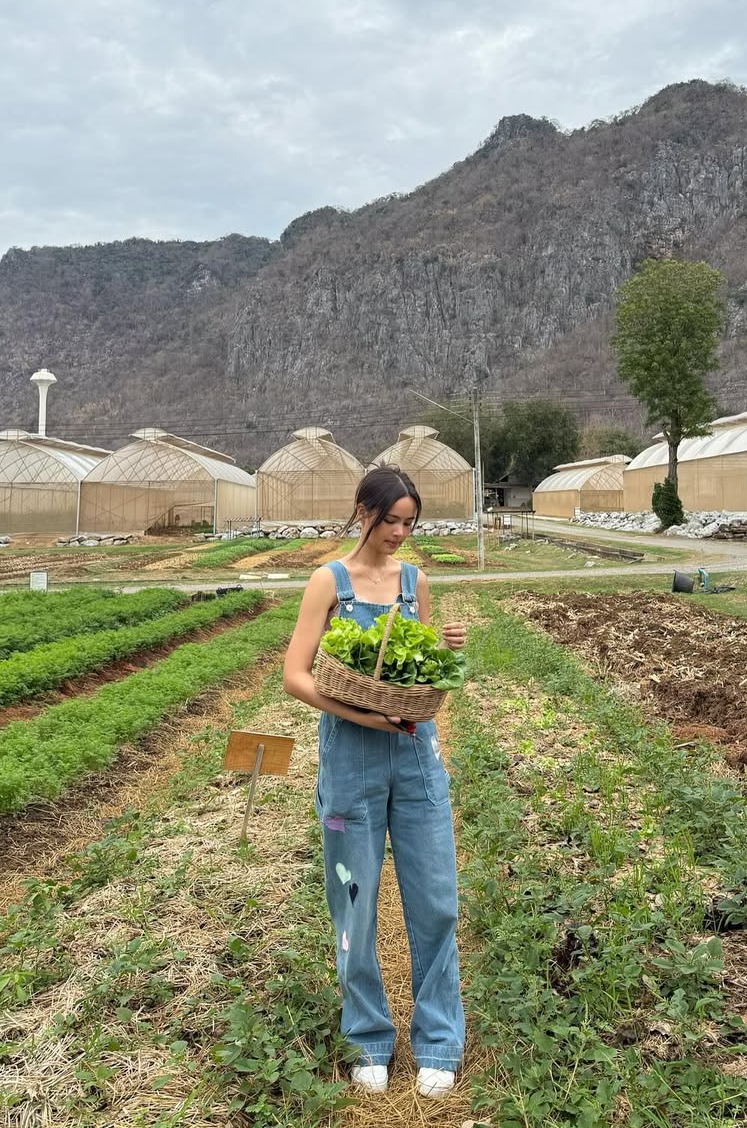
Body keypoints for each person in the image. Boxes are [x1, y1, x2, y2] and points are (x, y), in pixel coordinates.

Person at [283, 466, 467, 1099]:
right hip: (351, 760)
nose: (399, 534)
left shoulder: (416, 581)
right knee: (355, 906)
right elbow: (297, 675)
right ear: (361, 512)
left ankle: (438, 1039)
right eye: (390, 520)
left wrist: (446, 646)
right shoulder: (327, 581)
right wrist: (361, 713)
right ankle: (368, 1037)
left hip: (416, 757)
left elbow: (422, 666)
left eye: (409, 523)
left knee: (436, 901)